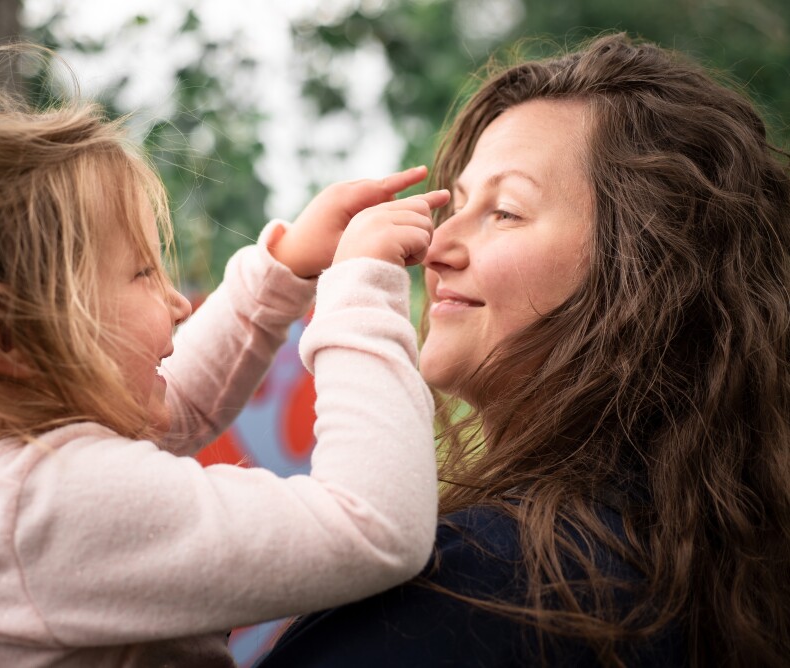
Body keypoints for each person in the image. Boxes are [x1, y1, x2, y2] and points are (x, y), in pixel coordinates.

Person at [0, 45, 451, 666]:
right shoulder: (46, 506)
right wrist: (360, 288)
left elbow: (167, 410)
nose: (178, 301)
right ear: (7, 338)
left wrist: (280, 271)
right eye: (140, 272)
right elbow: (372, 527)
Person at [258, 32, 790, 667]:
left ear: (645, 274)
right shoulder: (725, 566)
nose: (434, 246)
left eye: (506, 212)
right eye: (454, 205)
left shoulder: (487, 586)